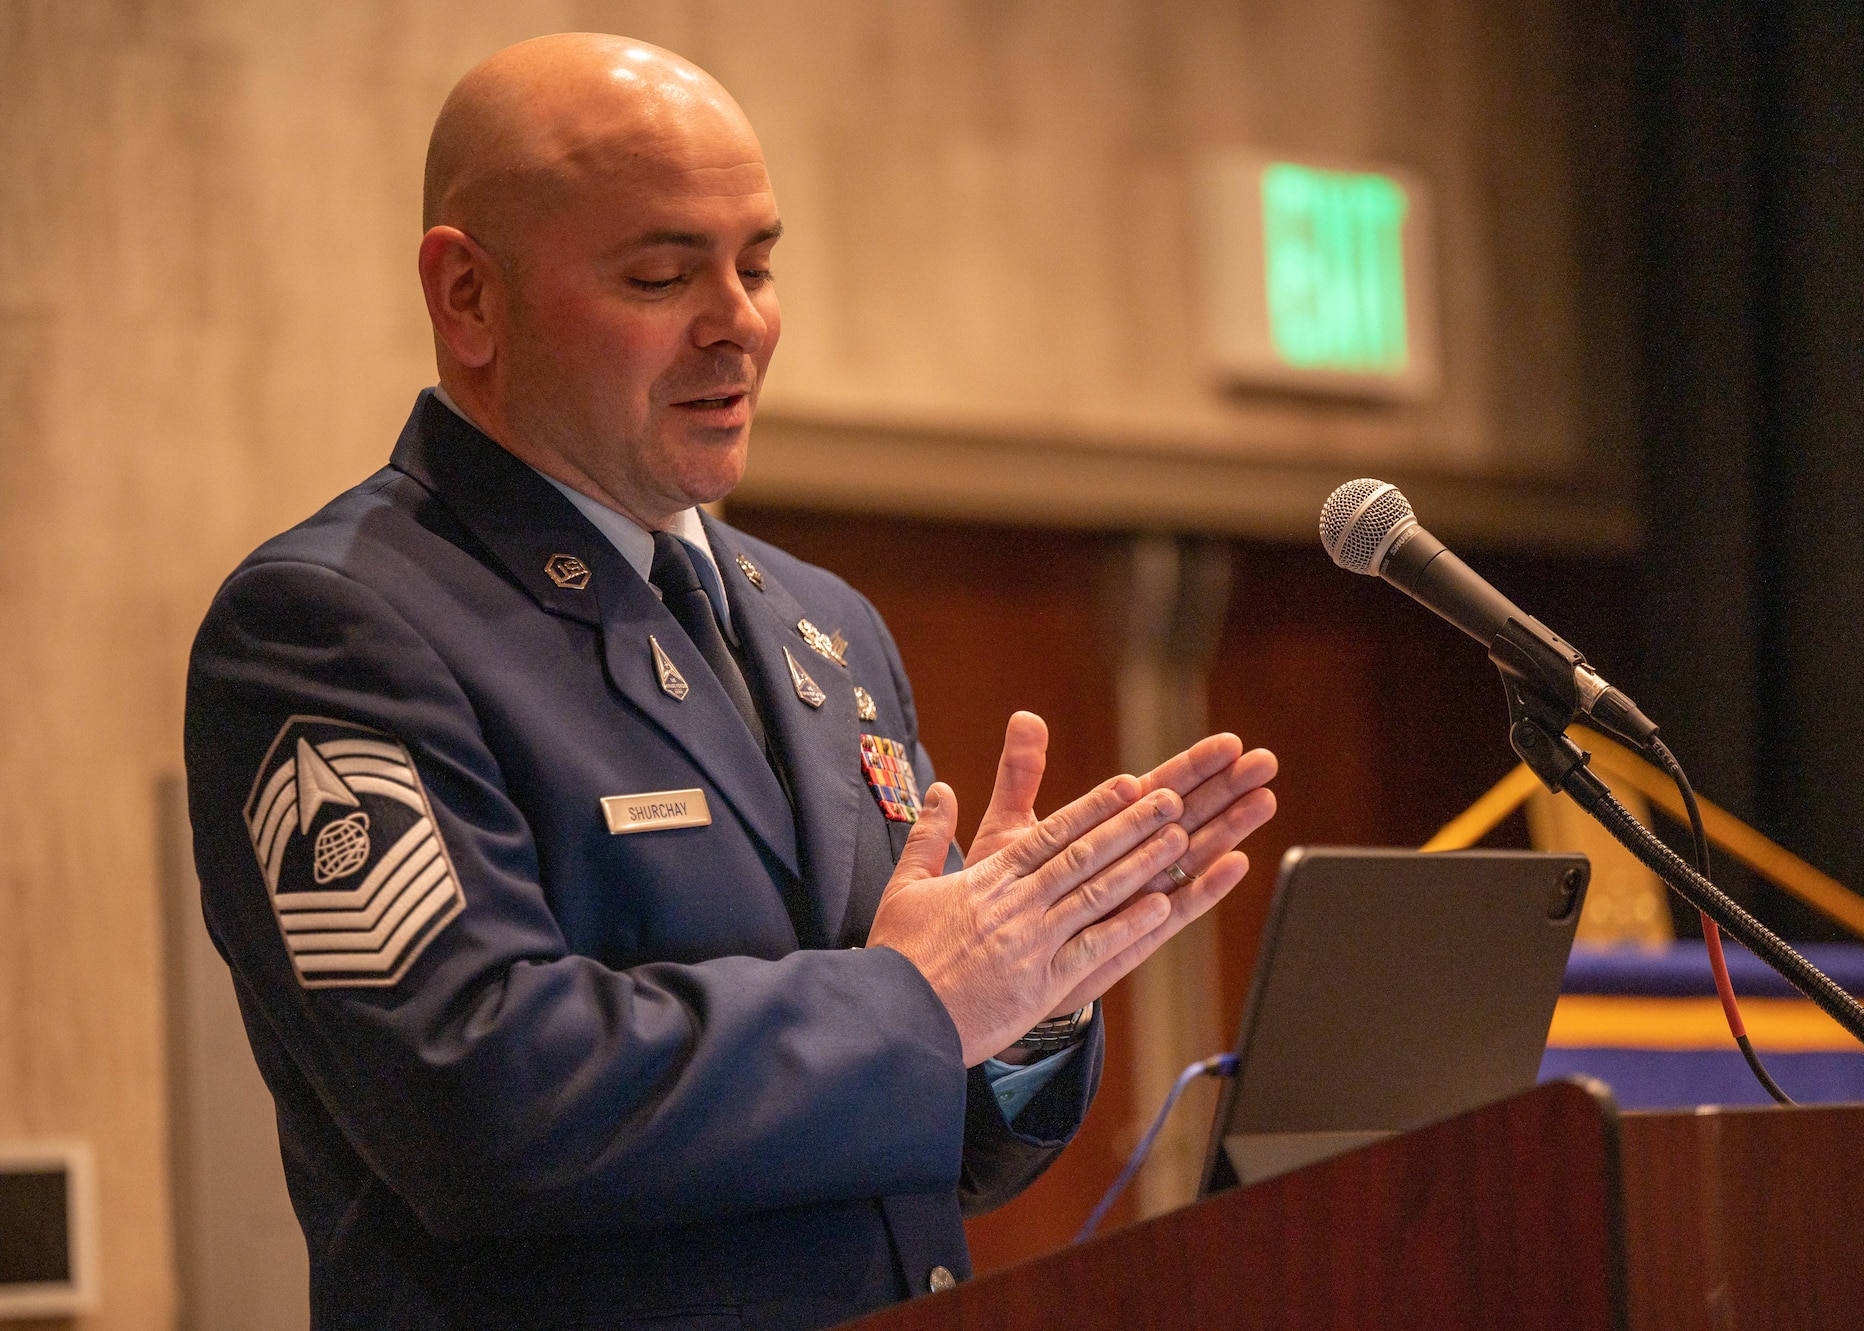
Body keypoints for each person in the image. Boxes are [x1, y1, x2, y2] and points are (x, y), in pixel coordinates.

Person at [184, 32, 1277, 1331]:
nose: (740, 320)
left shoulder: (828, 626)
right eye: (661, 274)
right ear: (467, 295)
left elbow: (944, 1151)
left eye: (758, 263)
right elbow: (478, 1099)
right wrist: (923, 999)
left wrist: (1031, 999)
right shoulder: (335, 624)